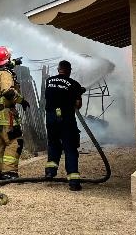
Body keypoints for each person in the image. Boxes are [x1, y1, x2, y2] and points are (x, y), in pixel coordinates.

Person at [0, 46, 30, 180]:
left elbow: (7, 64)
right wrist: (22, 100)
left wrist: (14, 62)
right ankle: (9, 172)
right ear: (6, 60)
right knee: (15, 142)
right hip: (6, 118)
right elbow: (8, 92)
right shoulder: (5, 74)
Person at [44, 60, 86, 191]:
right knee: (70, 148)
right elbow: (78, 105)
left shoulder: (49, 81)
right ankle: (74, 182)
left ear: (58, 69)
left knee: (53, 143)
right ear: (69, 71)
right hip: (66, 119)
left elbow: (52, 95)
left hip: (51, 118)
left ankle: (50, 172)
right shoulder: (74, 84)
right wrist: (78, 93)